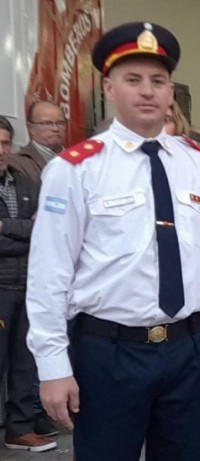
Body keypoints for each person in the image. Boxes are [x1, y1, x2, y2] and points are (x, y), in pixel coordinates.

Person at [25, 21, 200, 460]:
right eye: (133, 80)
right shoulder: (75, 170)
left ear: (171, 92)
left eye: (158, 80)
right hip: (108, 353)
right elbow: (49, 273)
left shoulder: (199, 165)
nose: (147, 91)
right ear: (109, 88)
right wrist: (52, 365)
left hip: (188, 350)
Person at [0, 116, 57, 453]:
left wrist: (5, 226)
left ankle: (19, 429)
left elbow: (45, 226)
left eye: (5, 143)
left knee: (25, 360)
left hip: (27, 285)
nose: (1, 150)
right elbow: (32, 230)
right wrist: (25, 229)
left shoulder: (22, 181)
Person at [11, 101, 66, 185]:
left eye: (60, 123)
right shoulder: (16, 163)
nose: (55, 129)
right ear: (30, 128)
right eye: (47, 123)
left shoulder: (77, 159)